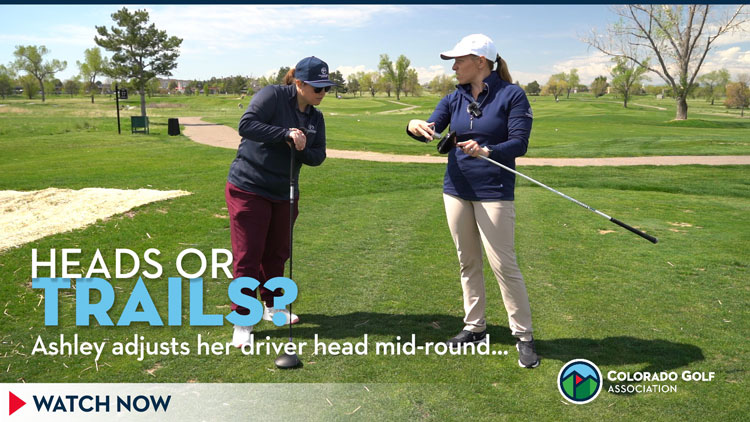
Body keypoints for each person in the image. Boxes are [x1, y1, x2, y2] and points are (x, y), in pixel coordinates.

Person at [406, 34, 539, 368]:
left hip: (494, 190)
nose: (454, 67)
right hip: (456, 189)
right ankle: (474, 327)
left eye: (459, 60)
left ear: (481, 62)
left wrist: (487, 150)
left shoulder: (512, 95)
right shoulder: (454, 97)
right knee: (468, 262)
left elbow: (519, 143)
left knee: (503, 265)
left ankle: (523, 336)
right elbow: (432, 126)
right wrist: (415, 126)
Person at [227, 56, 333, 347]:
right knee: (248, 256)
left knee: (277, 253)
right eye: (317, 88)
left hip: (285, 192)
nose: (322, 93)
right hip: (249, 187)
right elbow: (246, 125)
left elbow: (318, 156)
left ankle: (273, 306)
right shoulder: (272, 96)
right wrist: (284, 134)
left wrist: (301, 148)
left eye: (326, 88)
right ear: (299, 83)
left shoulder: (315, 117)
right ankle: (243, 319)